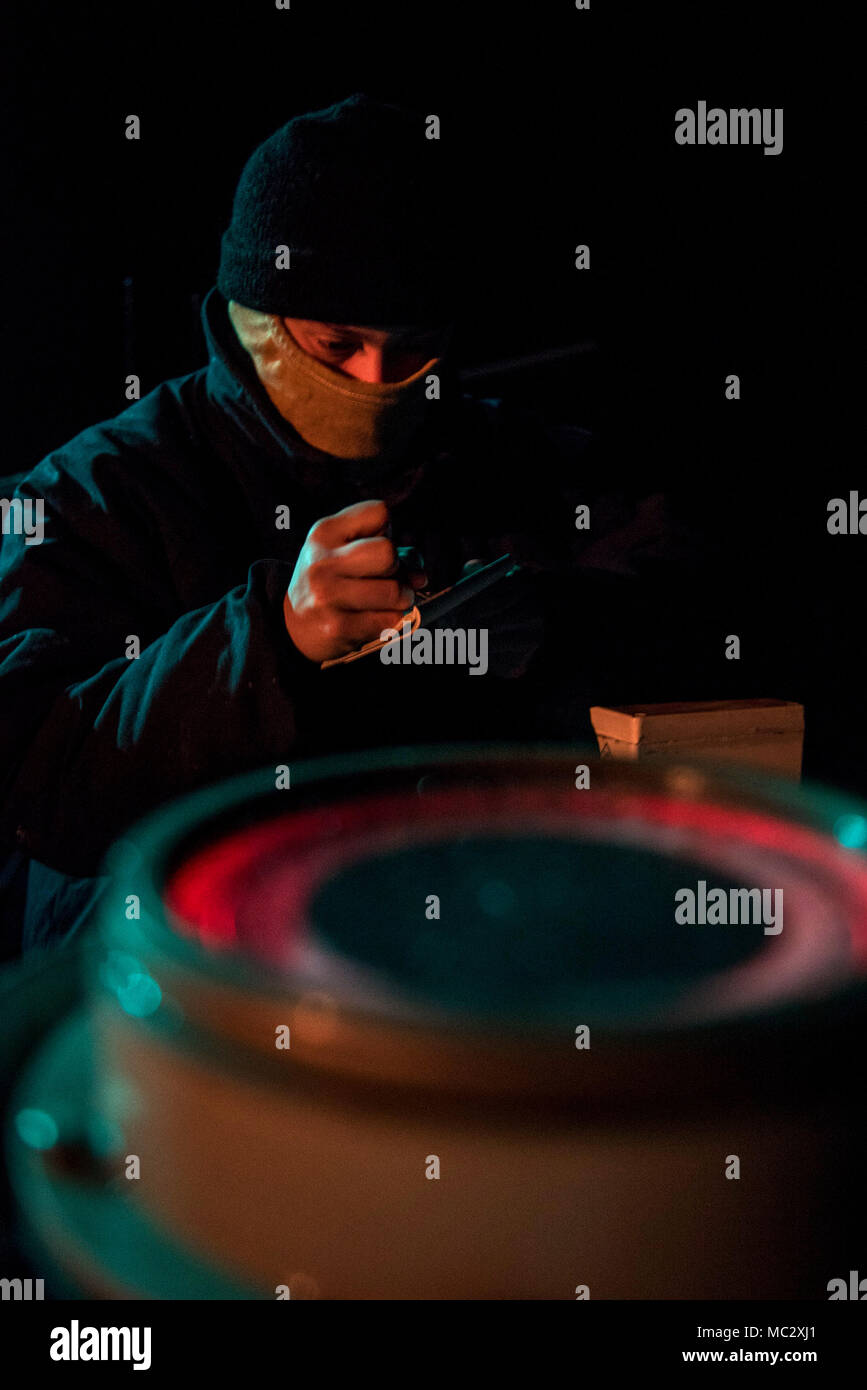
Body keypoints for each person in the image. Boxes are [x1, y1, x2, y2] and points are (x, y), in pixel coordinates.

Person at [0, 93, 744, 955]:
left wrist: (546, 613)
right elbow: (33, 779)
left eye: (411, 349)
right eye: (335, 346)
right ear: (251, 314)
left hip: (447, 931)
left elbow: (699, 587)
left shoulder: (505, 454)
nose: (376, 381)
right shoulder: (100, 490)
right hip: (181, 965)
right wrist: (270, 637)